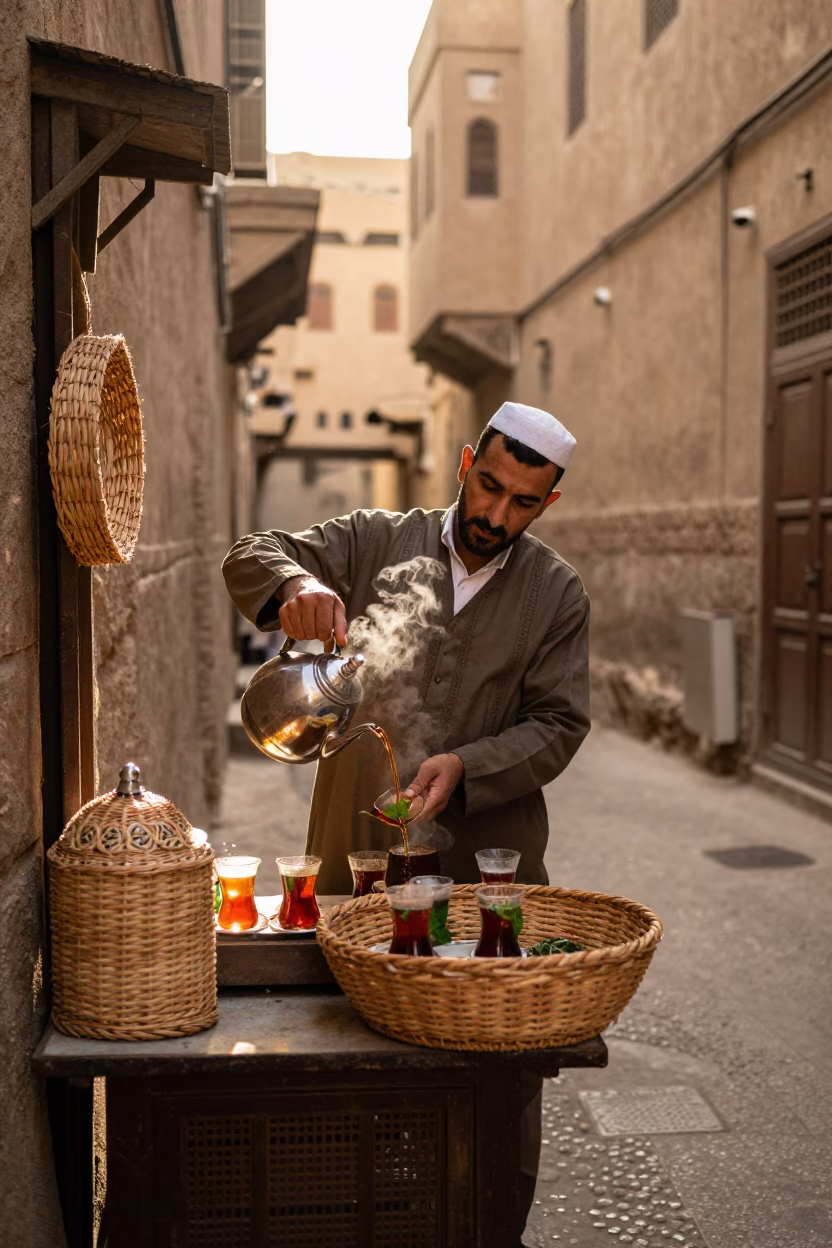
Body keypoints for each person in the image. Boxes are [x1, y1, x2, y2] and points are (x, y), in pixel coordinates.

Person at [223, 400, 590, 1240]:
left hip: (478, 873)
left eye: (521, 503)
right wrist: (297, 585)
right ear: (466, 462)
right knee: (341, 1053)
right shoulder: (373, 539)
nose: (496, 515)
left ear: (548, 505)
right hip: (354, 857)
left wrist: (468, 766)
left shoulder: (556, 594)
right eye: (488, 486)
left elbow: (561, 724)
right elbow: (251, 552)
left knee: (488, 1078)